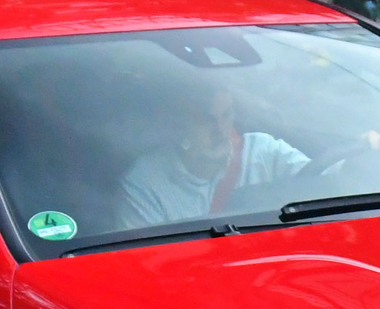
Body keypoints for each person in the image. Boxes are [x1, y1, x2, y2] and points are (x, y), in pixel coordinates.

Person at [120, 83, 311, 229]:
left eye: (226, 116)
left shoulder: (264, 151)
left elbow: (323, 181)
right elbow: (147, 265)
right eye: (207, 121)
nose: (221, 130)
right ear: (180, 127)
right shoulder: (145, 184)